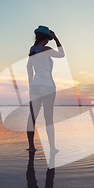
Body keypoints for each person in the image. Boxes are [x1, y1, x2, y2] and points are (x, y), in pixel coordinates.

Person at [26, 25, 65, 153]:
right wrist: (57, 38)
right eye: (49, 38)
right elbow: (62, 54)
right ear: (46, 38)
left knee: (32, 117)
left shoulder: (32, 50)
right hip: (48, 87)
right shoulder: (46, 49)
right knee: (48, 118)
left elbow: (28, 67)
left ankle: (31, 147)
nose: (49, 40)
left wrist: (31, 83)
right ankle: (52, 148)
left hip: (35, 87)